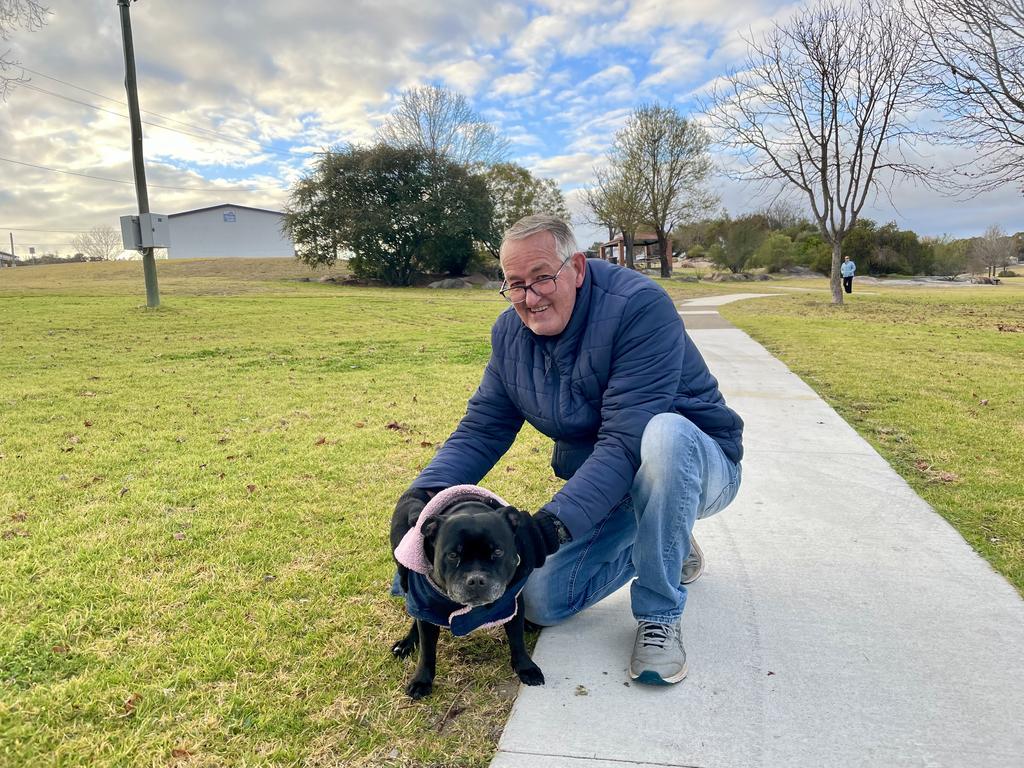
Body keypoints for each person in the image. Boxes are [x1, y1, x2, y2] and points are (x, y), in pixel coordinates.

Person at [393, 214, 743, 685]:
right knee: (540, 602)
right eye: (515, 284)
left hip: (699, 464)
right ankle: (668, 538)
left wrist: (554, 526)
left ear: (577, 267)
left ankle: (660, 611)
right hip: (619, 479)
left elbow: (625, 440)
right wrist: (423, 495)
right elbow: (484, 427)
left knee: (665, 434)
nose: (529, 297)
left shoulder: (640, 308)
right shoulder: (510, 335)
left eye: (542, 278)